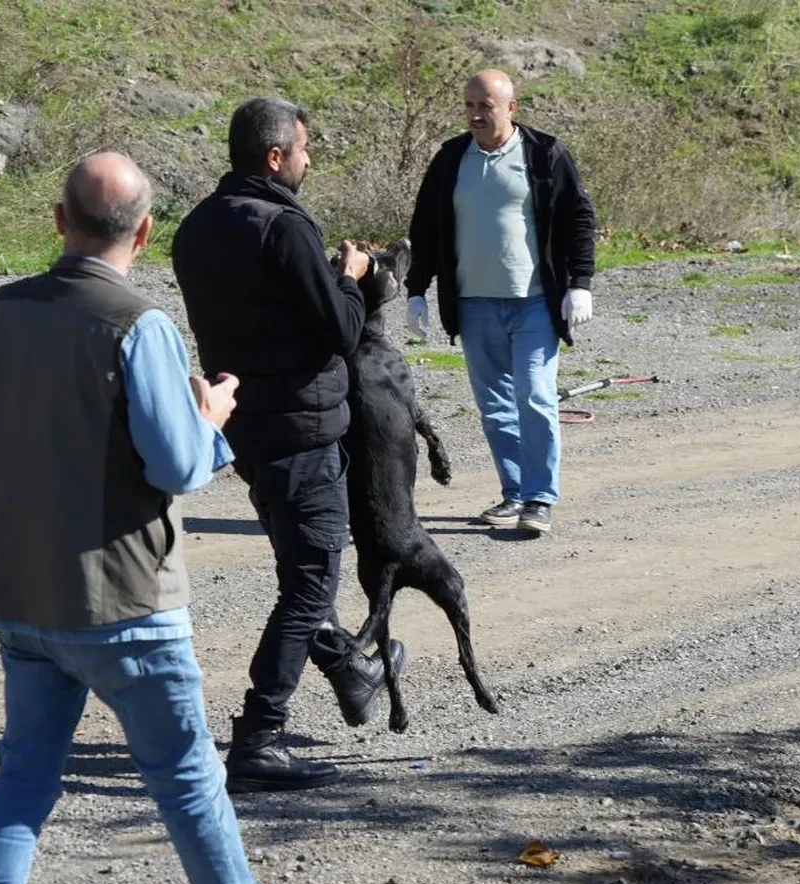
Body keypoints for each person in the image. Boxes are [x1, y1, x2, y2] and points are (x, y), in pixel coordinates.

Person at [0, 152, 353, 884]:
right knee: (187, 778)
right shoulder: (140, 325)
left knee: (24, 776)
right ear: (147, 231)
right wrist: (210, 416)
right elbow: (177, 465)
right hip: (124, 599)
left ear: (59, 220)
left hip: (24, 594)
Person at [172, 97, 405, 794]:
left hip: (243, 423)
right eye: (303, 149)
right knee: (310, 582)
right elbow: (340, 330)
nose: (309, 160)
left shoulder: (197, 227)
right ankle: (260, 736)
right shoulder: (285, 226)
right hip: (301, 428)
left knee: (300, 565)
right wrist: (353, 279)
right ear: (275, 157)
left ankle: (351, 667)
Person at [405, 68, 597, 535]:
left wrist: (580, 283)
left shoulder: (544, 153)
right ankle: (515, 494)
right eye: (469, 105)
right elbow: (425, 226)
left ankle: (540, 498)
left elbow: (578, 216)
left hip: (534, 303)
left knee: (534, 395)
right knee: (495, 406)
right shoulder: (451, 158)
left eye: (485, 106)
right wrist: (416, 290)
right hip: (473, 303)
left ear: (511, 108)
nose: (475, 115)